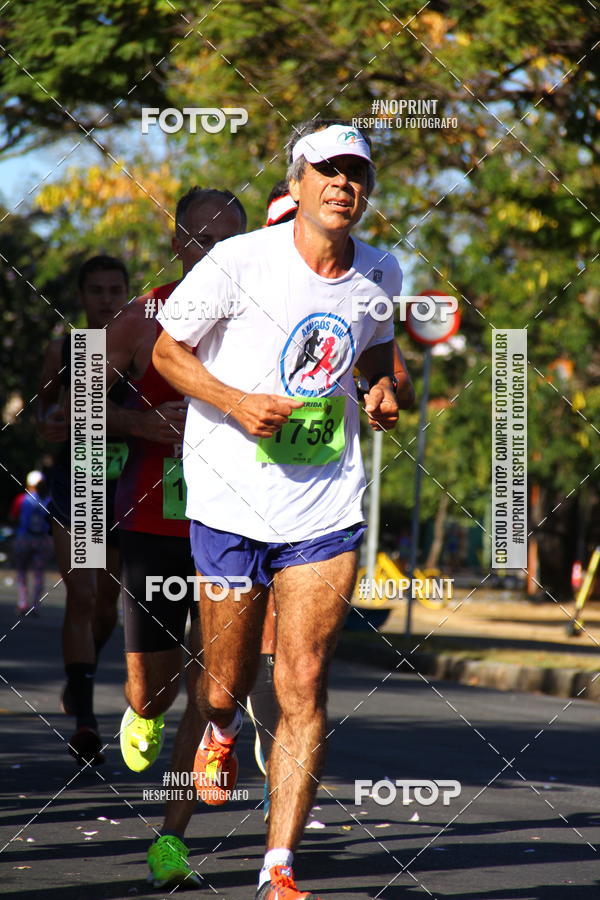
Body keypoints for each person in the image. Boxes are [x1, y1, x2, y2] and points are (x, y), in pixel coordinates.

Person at [153, 119, 407, 899]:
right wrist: (237, 402)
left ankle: (278, 867)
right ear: (294, 183)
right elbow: (168, 353)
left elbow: (369, 350)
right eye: (326, 170)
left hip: (324, 504)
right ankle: (193, 794)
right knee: (221, 683)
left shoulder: (381, 273)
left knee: (302, 679)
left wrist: (381, 389)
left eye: (356, 173)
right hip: (231, 496)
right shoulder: (237, 262)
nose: (342, 184)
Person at [104, 187, 247, 889]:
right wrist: (137, 426)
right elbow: (68, 408)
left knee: (217, 684)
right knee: (154, 689)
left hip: (246, 523)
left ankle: (172, 840)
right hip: (158, 524)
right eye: (200, 241)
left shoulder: (267, 309)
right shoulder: (140, 319)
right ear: (176, 243)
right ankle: (140, 709)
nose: (213, 255)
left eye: (228, 241)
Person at [37, 256, 130, 766]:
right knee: (84, 592)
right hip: (81, 482)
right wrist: (49, 425)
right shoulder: (67, 349)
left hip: (125, 489)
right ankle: (86, 721)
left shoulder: (142, 346)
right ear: (81, 296)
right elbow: (43, 410)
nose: (106, 300)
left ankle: (79, 678)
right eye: (96, 291)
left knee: (104, 606)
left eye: (115, 290)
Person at [9, 471, 52, 616]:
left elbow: (13, 516)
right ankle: (35, 605)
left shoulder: (22, 499)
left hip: (24, 539)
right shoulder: (49, 500)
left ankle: (22, 603)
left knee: (22, 572)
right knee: (39, 574)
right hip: (42, 540)